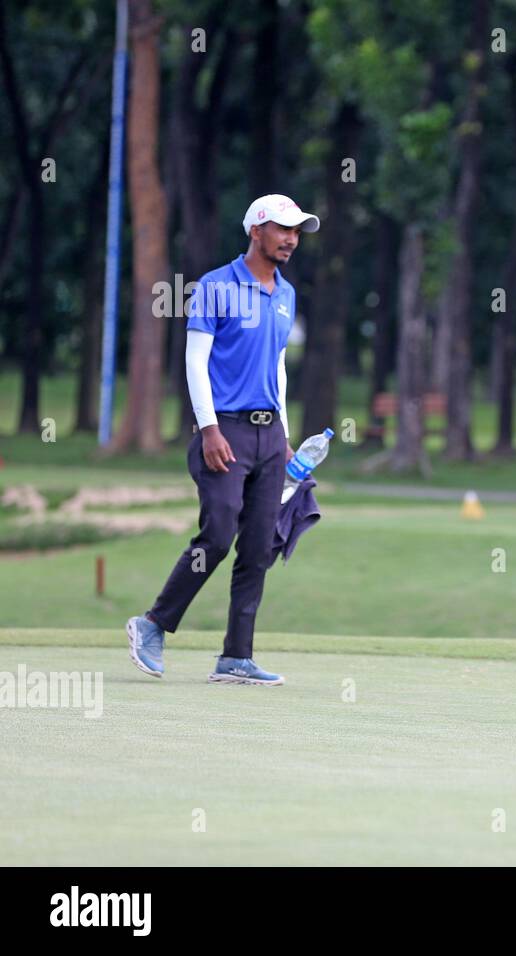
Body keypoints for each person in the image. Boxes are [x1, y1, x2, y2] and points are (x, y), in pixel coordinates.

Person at [125, 194, 320, 686]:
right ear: (256, 230)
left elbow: (277, 364)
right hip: (224, 429)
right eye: (283, 229)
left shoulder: (285, 293)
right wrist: (208, 427)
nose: (292, 239)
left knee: (257, 547)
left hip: (269, 435)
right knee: (217, 534)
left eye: (297, 231)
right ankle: (152, 624)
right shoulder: (215, 286)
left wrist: (286, 436)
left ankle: (236, 656)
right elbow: (195, 361)